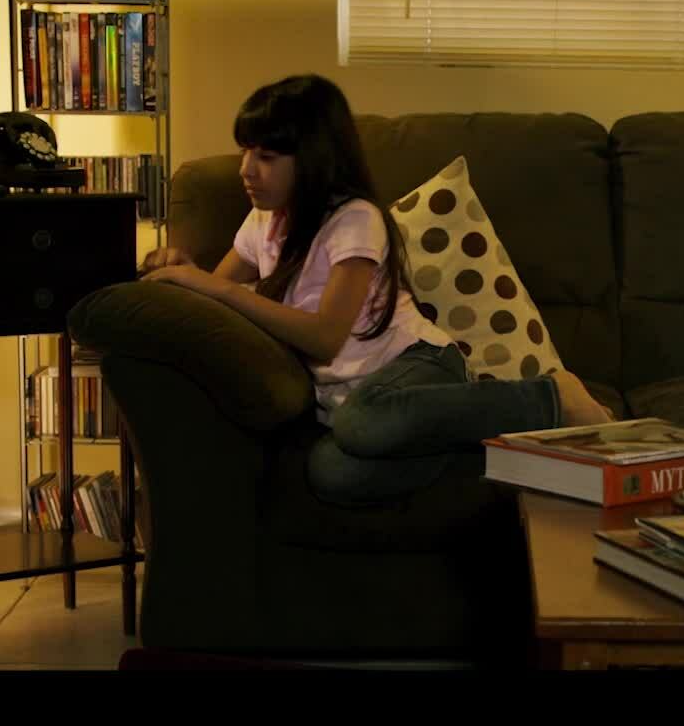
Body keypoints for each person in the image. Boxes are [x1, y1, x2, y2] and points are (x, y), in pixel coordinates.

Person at [138, 74, 613, 504]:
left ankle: (552, 396)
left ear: (312, 158)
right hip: (349, 399)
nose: (246, 169)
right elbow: (215, 295)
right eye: (246, 152)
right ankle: (482, 449)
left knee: (360, 423)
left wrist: (223, 291)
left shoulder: (353, 219)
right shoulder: (263, 221)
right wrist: (185, 271)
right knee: (330, 472)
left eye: (266, 156)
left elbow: (325, 337)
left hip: (416, 365)